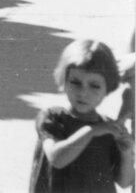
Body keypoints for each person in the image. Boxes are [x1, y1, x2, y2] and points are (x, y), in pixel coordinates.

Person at [29, 39, 133, 192]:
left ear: (108, 88)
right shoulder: (53, 118)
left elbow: (125, 182)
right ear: (64, 80)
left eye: (94, 86)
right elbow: (56, 159)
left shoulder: (108, 128)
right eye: (75, 82)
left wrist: (126, 152)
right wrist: (91, 131)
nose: (83, 93)